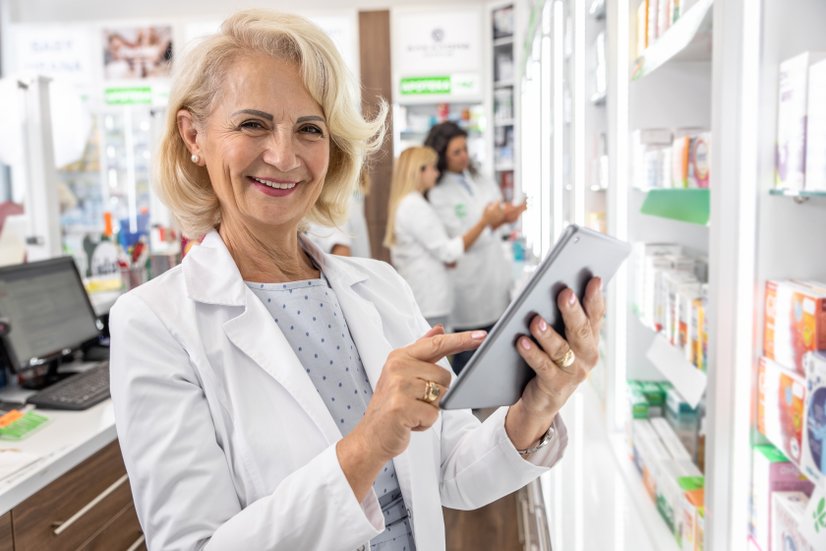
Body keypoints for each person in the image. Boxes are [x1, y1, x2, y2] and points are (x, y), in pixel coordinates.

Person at [109, 9, 604, 551]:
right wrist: (366, 446)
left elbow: (451, 470)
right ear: (193, 135)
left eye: (309, 129)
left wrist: (536, 408)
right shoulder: (155, 324)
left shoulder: (379, 286)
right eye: (252, 124)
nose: (283, 155)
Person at [425, 121, 527, 374]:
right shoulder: (438, 193)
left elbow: (494, 221)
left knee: (498, 353)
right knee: (469, 359)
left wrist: (506, 217)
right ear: (441, 155)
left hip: (494, 276)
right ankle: (468, 412)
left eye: (465, 149)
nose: (463, 156)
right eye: (456, 152)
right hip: (468, 285)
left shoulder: (479, 178)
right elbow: (456, 241)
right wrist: (487, 221)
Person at [384, 146, 503, 330]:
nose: (436, 173)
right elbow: (447, 252)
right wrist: (484, 222)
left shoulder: (409, 203)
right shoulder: (414, 206)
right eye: (432, 168)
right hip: (429, 300)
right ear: (419, 171)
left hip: (426, 297)